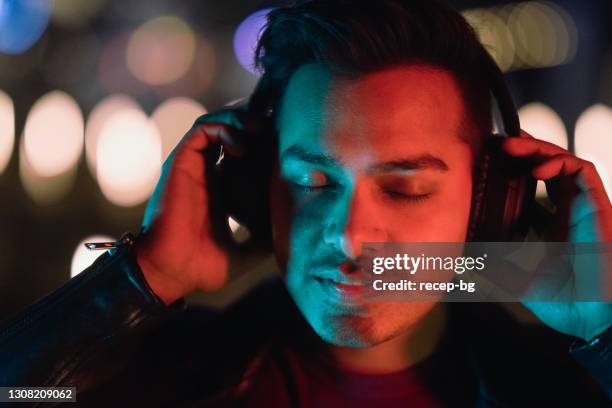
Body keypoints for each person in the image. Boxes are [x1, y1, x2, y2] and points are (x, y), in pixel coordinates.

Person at [1, 0, 611, 406]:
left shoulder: (561, 388)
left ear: (490, 206)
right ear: (257, 187)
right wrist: (144, 280)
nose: (349, 235)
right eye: (313, 183)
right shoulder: (155, 375)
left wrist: (605, 329)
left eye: (404, 188)